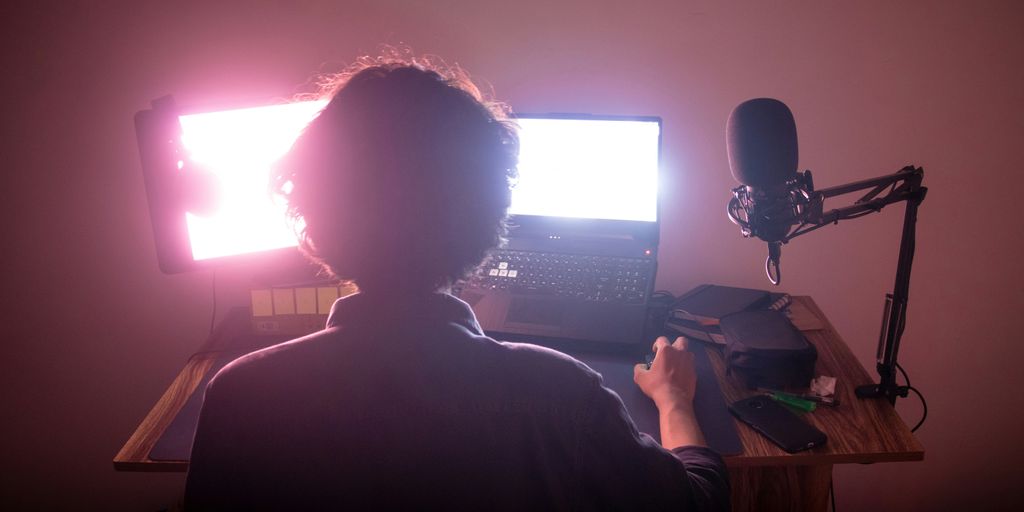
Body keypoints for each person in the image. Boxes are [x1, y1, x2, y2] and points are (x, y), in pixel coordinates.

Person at [184, 54, 729, 510]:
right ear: (491, 212)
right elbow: (698, 502)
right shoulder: (561, 392)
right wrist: (674, 400)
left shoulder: (239, 396)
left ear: (314, 211)